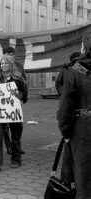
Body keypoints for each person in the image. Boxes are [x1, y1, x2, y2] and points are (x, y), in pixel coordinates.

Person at [57, 33, 91, 199]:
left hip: (83, 131)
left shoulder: (76, 70)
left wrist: (65, 132)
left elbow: (65, 108)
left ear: (84, 48)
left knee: (84, 181)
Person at [0, 55, 28, 171]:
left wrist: (19, 95)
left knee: (15, 136)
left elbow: (25, 95)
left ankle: (16, 160)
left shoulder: (18, 79)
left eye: (6, 63)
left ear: (11, 65)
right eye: (2, 63)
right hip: (0, 114)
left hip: (13, 113)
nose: (3, 65)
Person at [0, 46, 26, 155]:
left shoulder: (18, 72)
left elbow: (23, 89)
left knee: (17, 130)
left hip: (14, 107)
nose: (10, 56)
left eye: (12, 54)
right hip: (0, 108)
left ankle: (15, 153)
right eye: (8, 54)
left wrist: (19, 95)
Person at [55, 51, 80, 187]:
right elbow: (58, 83)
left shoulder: (84, 71)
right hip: (68, 112)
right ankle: (66, 181)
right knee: (68, 151)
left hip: (79, 117)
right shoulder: (66, 70)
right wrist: (64, 93)